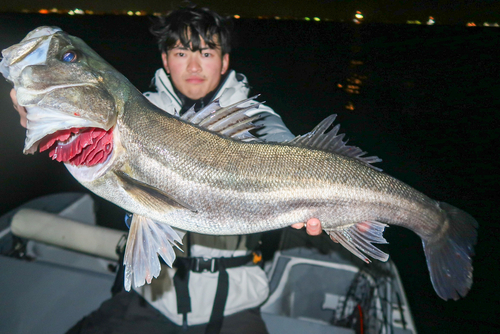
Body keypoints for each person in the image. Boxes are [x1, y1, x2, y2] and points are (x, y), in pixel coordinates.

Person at [10, 5, 323, 334]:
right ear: (165, 60)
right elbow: (80, 128)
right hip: (152, 293)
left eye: (206, 52)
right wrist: (41, 117)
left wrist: (310, 182)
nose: (193, 65)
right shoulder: (137, 108)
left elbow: (284, 147)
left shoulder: (254, 117)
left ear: (225, 61)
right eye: (180, 52)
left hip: (235, 302)